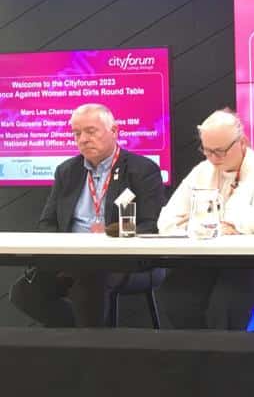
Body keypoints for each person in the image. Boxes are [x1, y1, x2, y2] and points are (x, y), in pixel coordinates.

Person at [9, 103, 164, 327]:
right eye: (77, 133)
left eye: (91, 131)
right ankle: (79, 336)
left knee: (90, 280)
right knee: (25, 292)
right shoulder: (67, 171)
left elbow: (153, 225)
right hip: (73, 257)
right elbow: (48, 222)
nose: (83, 139)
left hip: (125, 260)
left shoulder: (142, 170)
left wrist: (112, 235)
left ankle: (92, 350)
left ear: (114, 131)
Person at [157, 108, 254, 329]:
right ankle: (193, 358)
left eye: (220, 151)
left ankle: (225, 361)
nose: (213, 159)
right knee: (174, 295)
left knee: (224, 303)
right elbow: (166, 220)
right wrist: (219, 225)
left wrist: (218, 222)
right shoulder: (202, 170)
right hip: (211, 259)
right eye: (207, 151)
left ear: (242, 142)